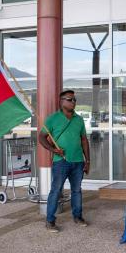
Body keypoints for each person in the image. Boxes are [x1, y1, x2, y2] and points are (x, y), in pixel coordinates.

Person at [39, 90, 91, 233]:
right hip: (60, 162)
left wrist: (88, 160)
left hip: (78, 162)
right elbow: (41, 138)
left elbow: (84, 140)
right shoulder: (52, 119)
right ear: (62, 102)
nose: (73, 102)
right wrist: (53, 150)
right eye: (70, 99)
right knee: (56, 191)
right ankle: (50, 221)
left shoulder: (79, 119)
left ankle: (78, 217)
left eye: (75, 100)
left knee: (76, 191)